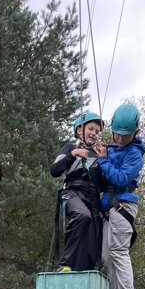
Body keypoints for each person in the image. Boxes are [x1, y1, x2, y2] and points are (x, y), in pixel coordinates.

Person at [96, 103, 145, 289]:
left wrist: (103, 160)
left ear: (136, 132)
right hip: (110, 208)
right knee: (106, 256)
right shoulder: (113, 149)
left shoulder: (134, 154)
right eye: (117, 134)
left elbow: (121, 178)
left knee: (118, 250)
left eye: (125, 136)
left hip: (123, 205)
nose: (120, 139)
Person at [51, 112, 104, 272]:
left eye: (97, 131)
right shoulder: (70, 148)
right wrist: (73, 154)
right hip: (72, 193)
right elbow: (54, 170)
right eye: (91, 129)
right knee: (82, 215)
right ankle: (65, 264)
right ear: (79, 130)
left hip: (91, 200)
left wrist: (105, 161)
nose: (94, 133)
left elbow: (103, 185)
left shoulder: (99, 154)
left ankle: (82, 273)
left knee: (91, 243)